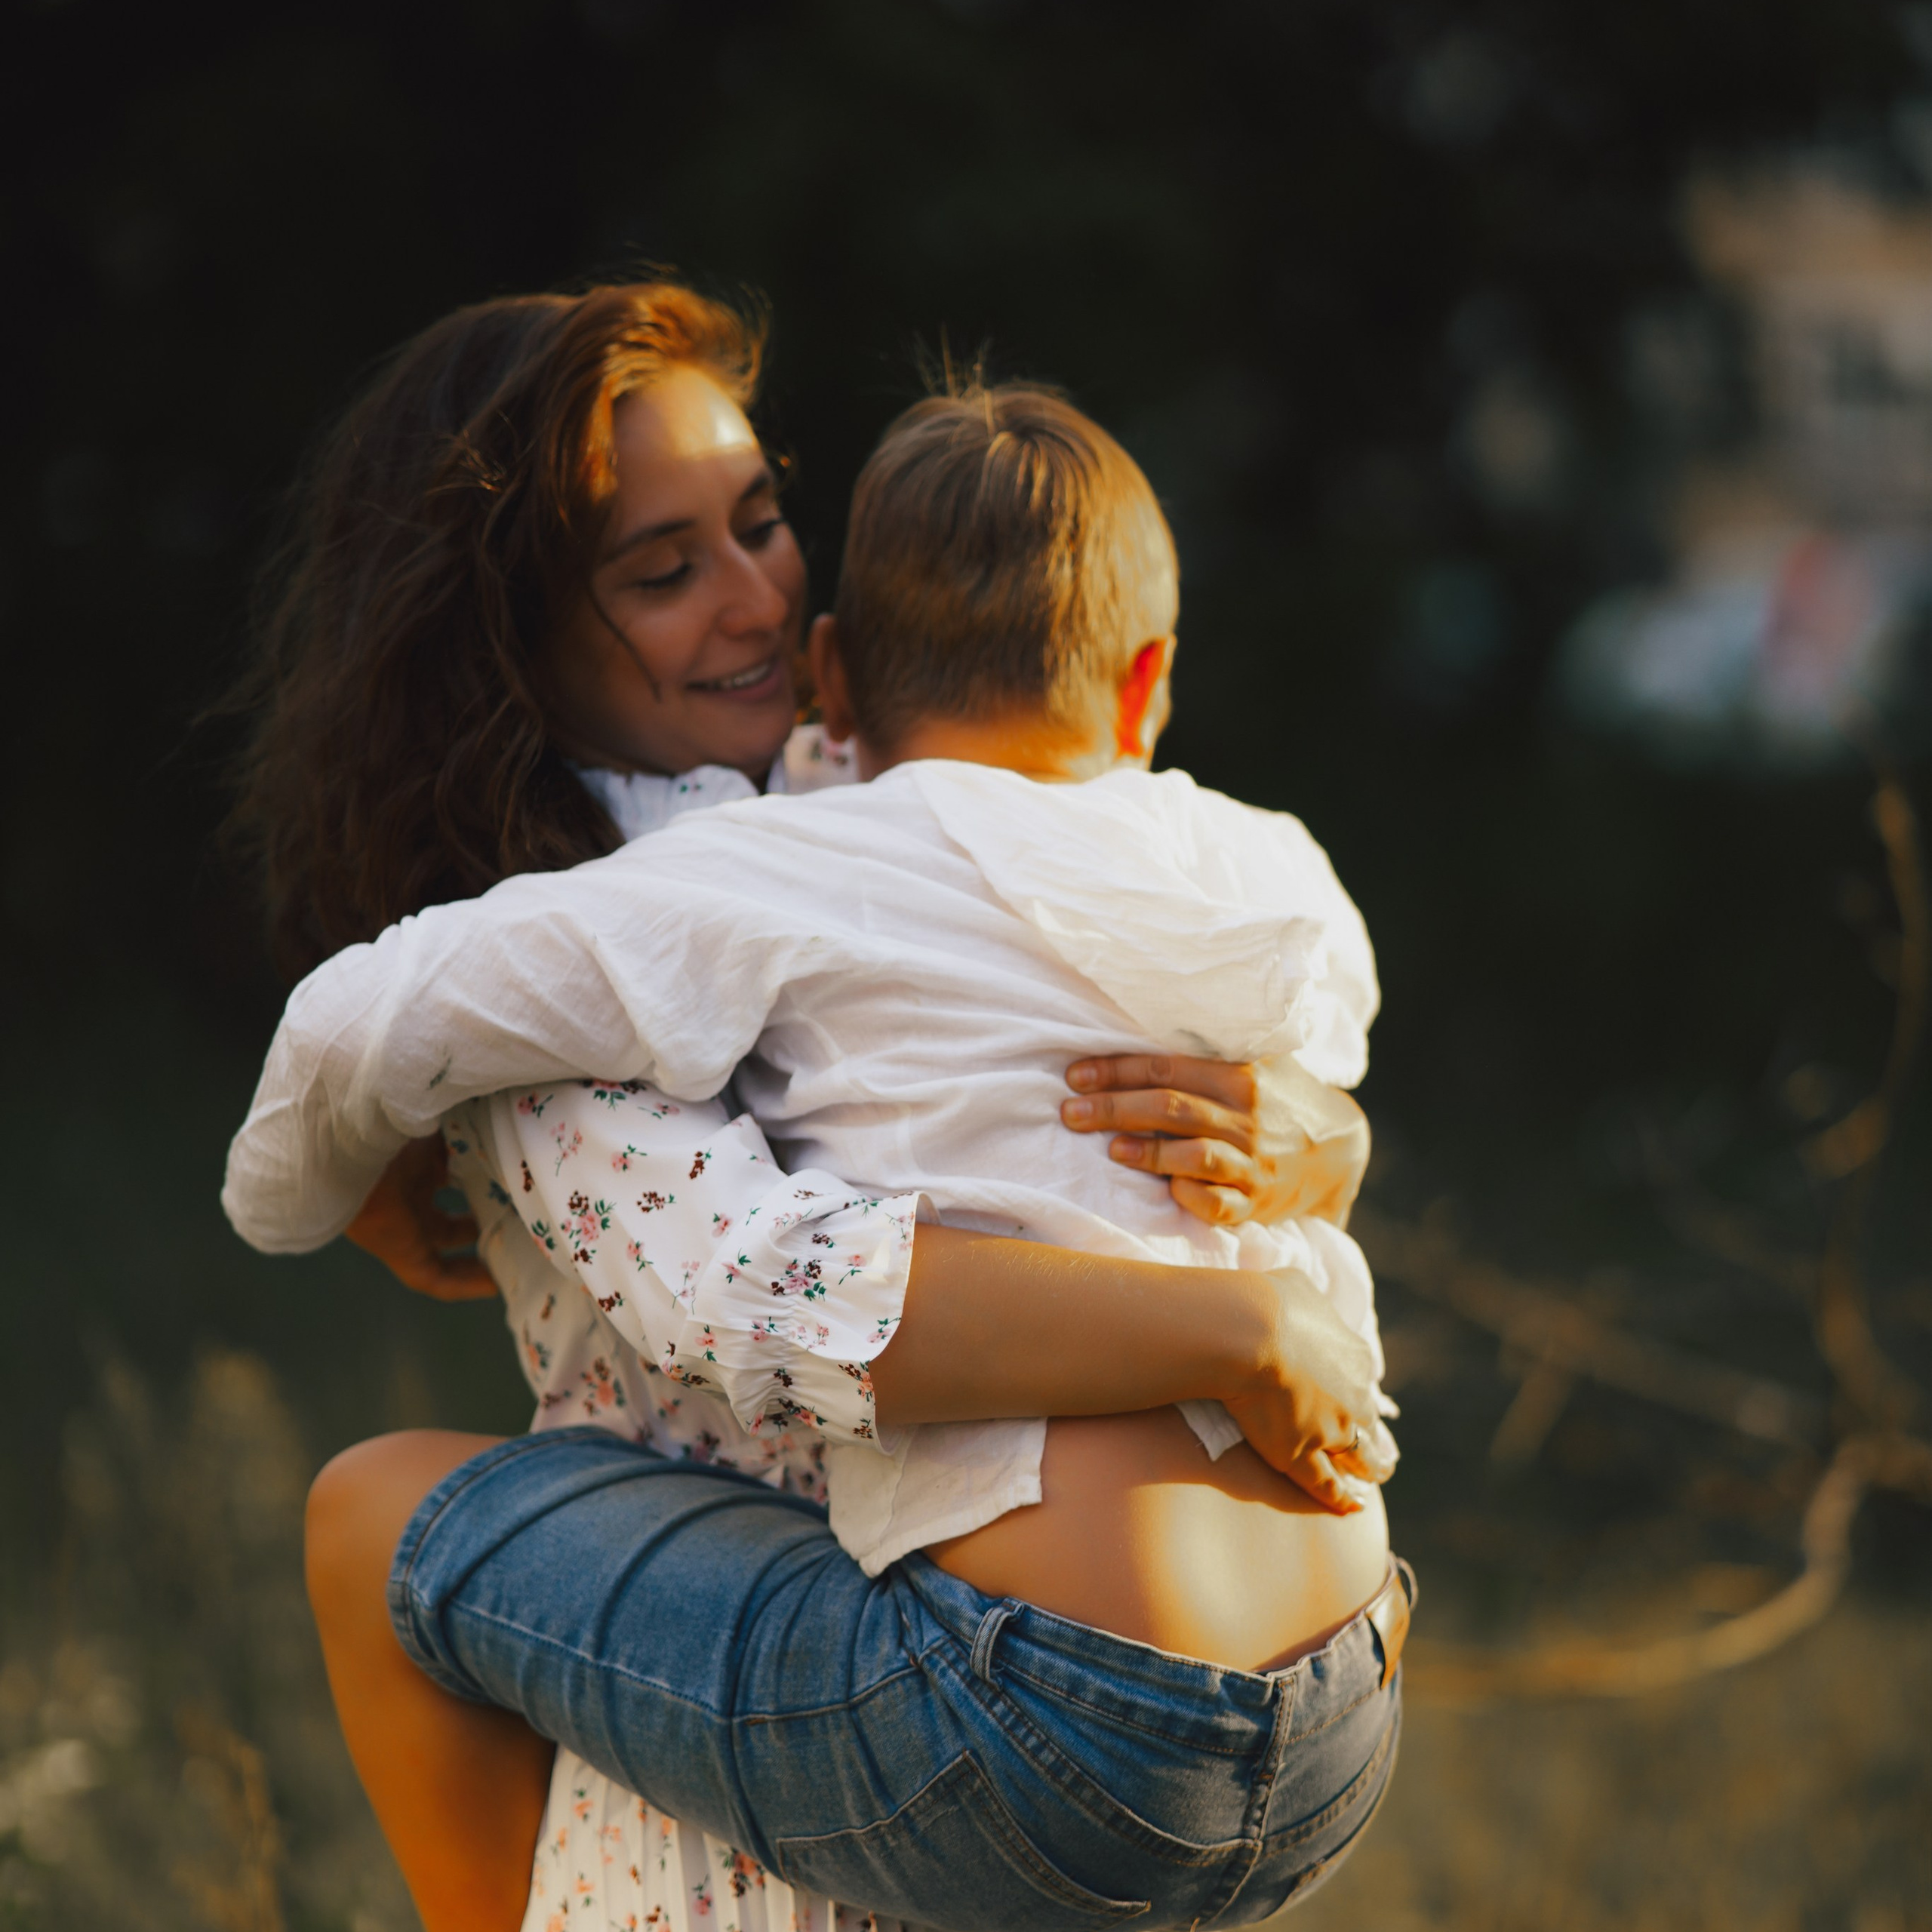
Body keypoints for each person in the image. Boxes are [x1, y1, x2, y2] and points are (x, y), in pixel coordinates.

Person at [227, 281, 1378, 1932]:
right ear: (508, 641)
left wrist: (1318, 1141)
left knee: (373, 1514)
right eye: (663, 571)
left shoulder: (865, 804)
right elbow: (770, 1292)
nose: (758, 595)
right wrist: (1240, 1323)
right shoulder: (593, 951)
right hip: (990, 1757)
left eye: (762, 522)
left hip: (1015, 1735)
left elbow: (1237, 1068)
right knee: (372, 1511)